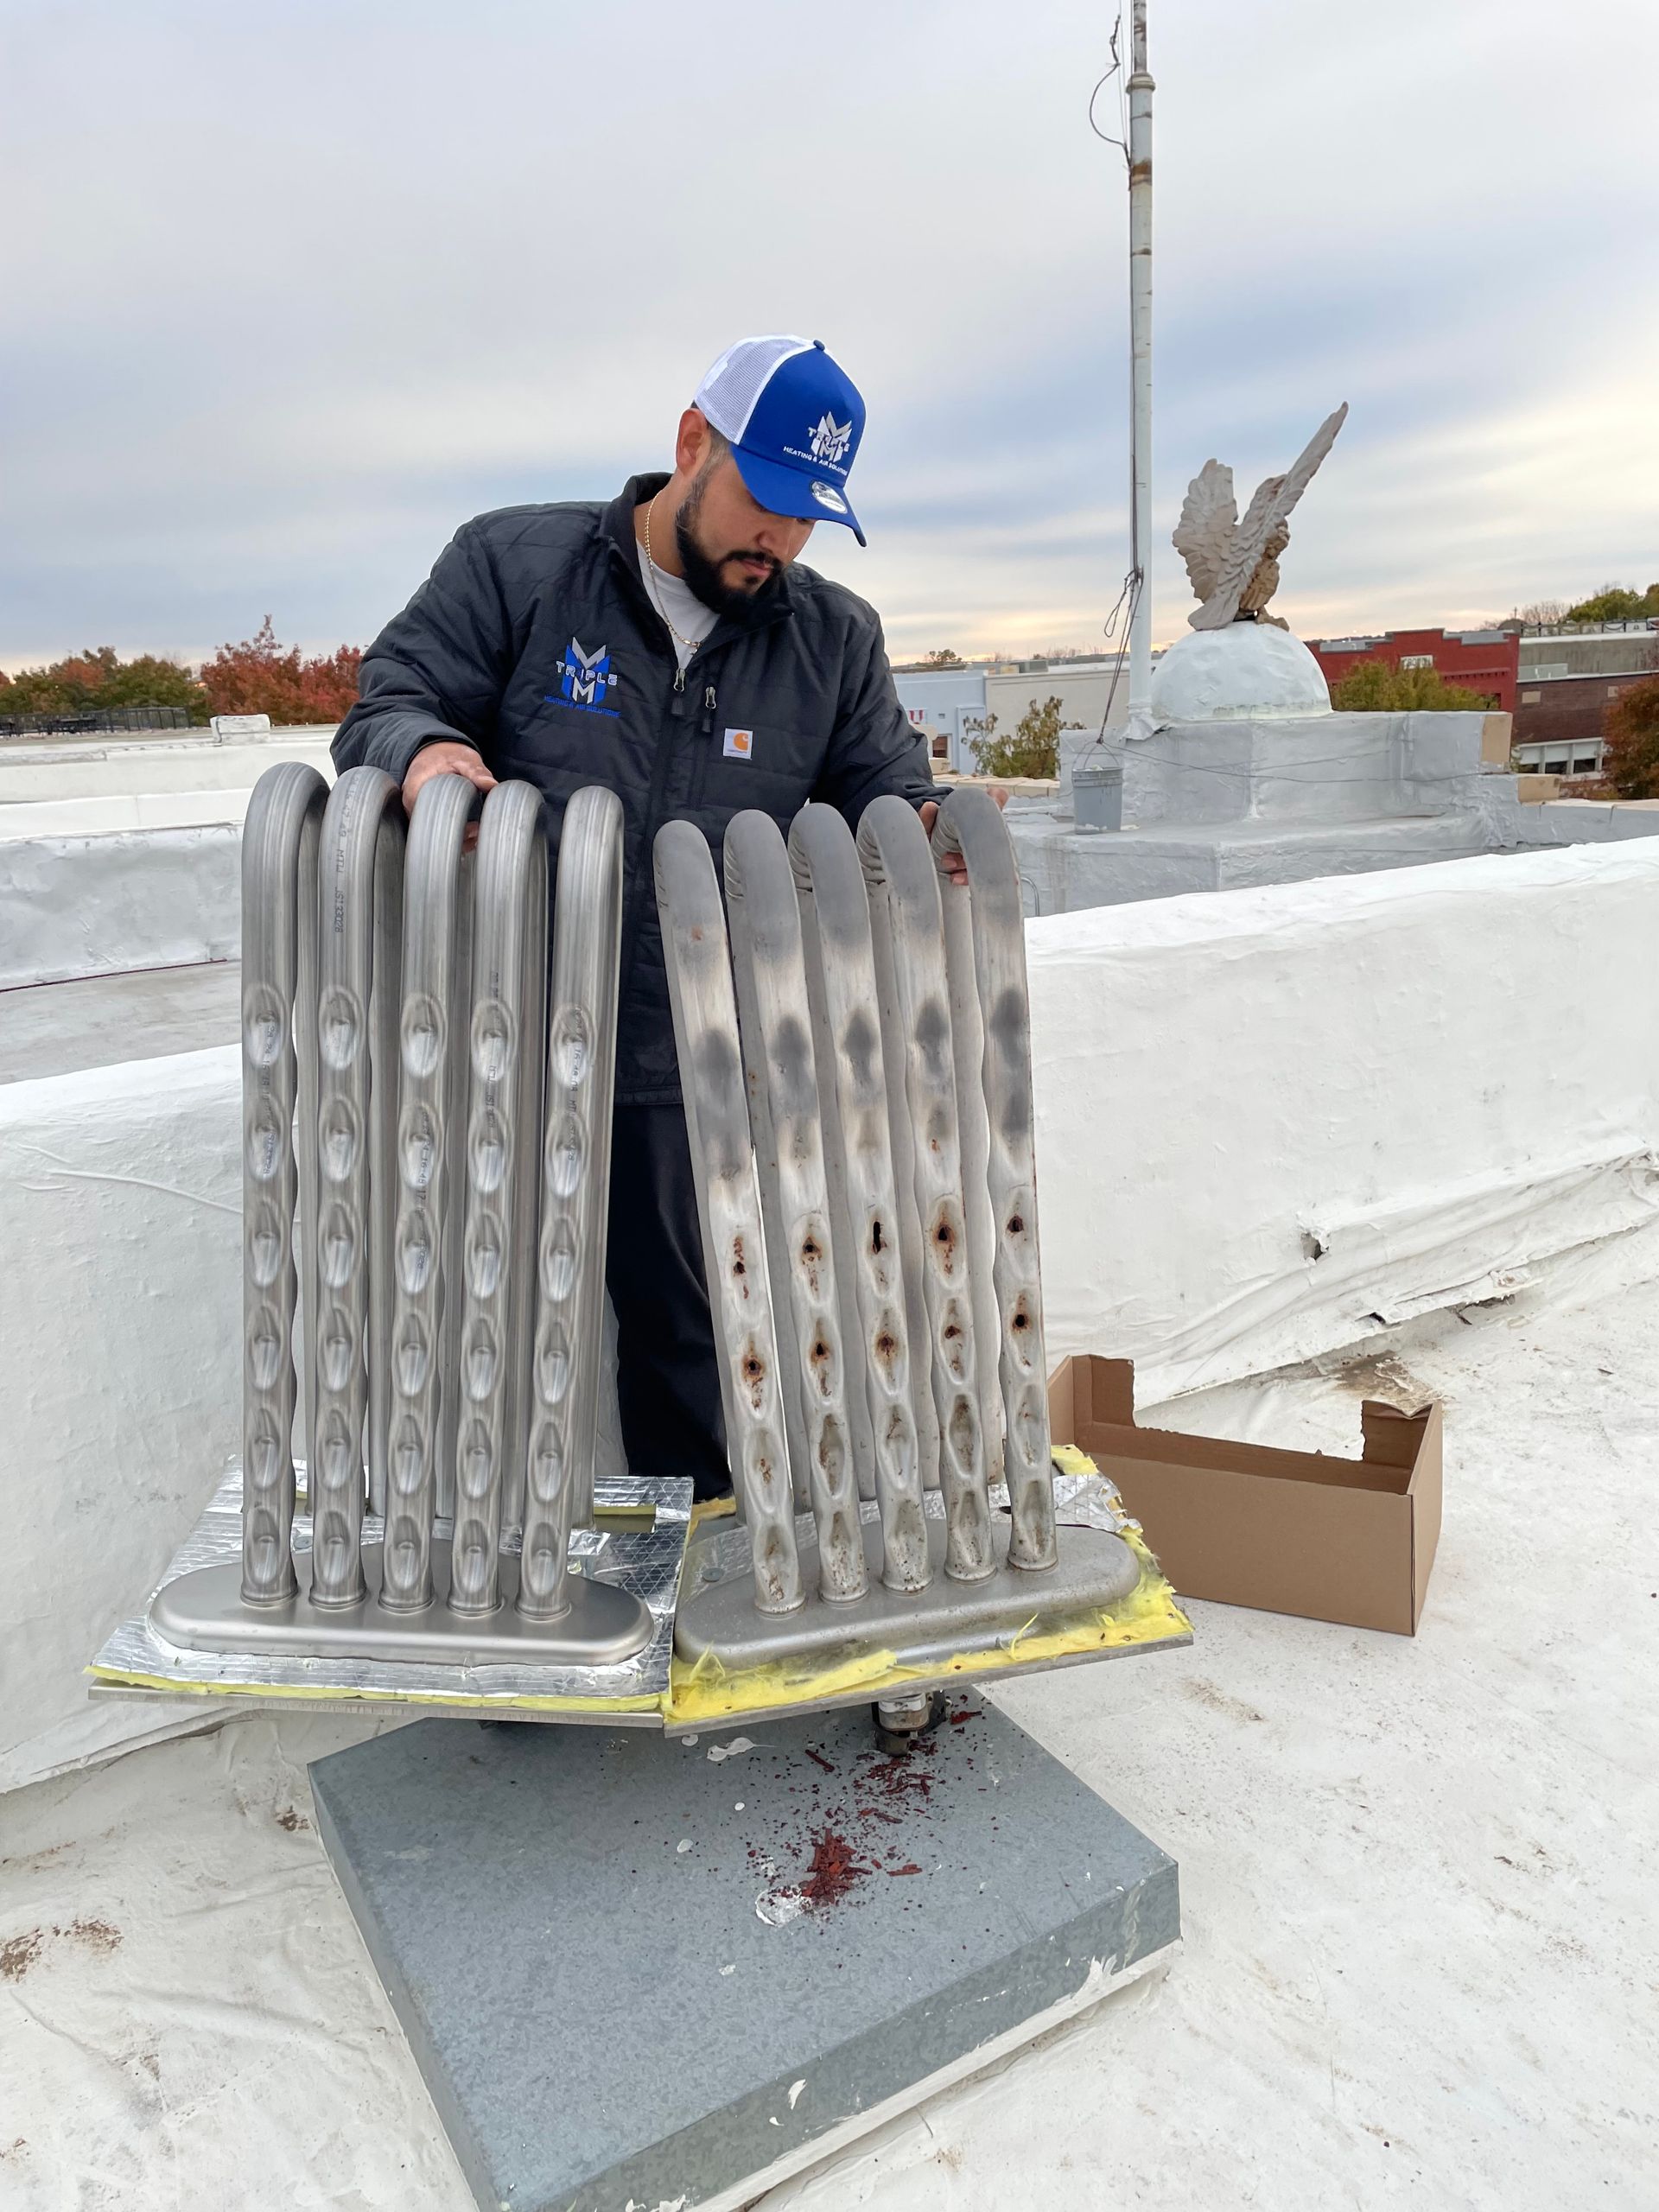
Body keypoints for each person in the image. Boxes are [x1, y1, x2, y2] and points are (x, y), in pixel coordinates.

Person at [334, 334, 981, 1502]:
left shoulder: (831, 640)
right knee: (487, 1324)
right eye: (765, 499)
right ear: (693, 442)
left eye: (809, 515)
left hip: (699, 1063)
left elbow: (886, 795)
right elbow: (391, 699)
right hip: (510, 1045)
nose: (780, 540)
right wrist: (427, 753)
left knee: (699, 1342)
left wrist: (934, 837)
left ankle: (707, 1586)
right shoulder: (518, 567)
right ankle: (500, 1605)